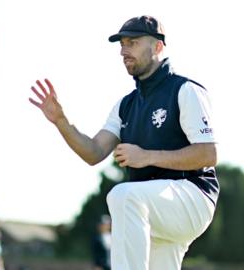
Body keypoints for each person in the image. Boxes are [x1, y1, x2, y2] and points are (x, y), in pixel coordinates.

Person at [29, 15, 219, 270]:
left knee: (122, 195)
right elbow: (94, 152)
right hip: (151, 211)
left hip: (192, 197)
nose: (123, 51)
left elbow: (208, 154)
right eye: (122, 44)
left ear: (158, 46)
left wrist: (147, 156)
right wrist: (61, 121)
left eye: (133, 43)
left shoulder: (185, 90)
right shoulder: (125, 105)